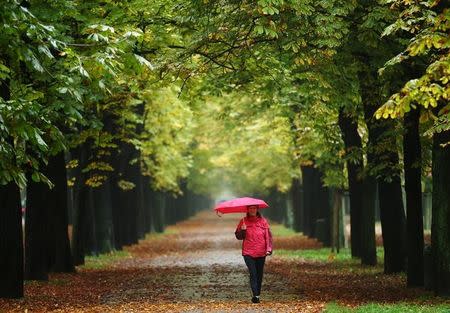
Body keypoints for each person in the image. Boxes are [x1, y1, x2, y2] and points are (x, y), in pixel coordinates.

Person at [235, 205, 273, 303]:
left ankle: (257, 295)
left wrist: (269, 249)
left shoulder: (263, 221)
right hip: (248, 252)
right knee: (253, 273)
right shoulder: (243, 221)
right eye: (250, 208)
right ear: (247, 210)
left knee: (259, 274)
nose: (252, 210)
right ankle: (255, 294)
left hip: (261, 252)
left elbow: (268, 236)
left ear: (257, 210)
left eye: (254, 208)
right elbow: (239, 237)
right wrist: (243, 230)